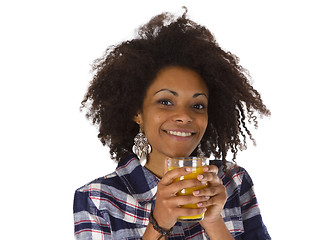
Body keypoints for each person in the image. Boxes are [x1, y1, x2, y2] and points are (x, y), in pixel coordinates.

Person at [73, 9, 271, 240]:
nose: (184, 116)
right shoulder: (98, 198)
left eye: (197, 106)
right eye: (165, 102)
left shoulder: (233, 181)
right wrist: (158, 224)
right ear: (138, 113)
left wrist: (214, 221)